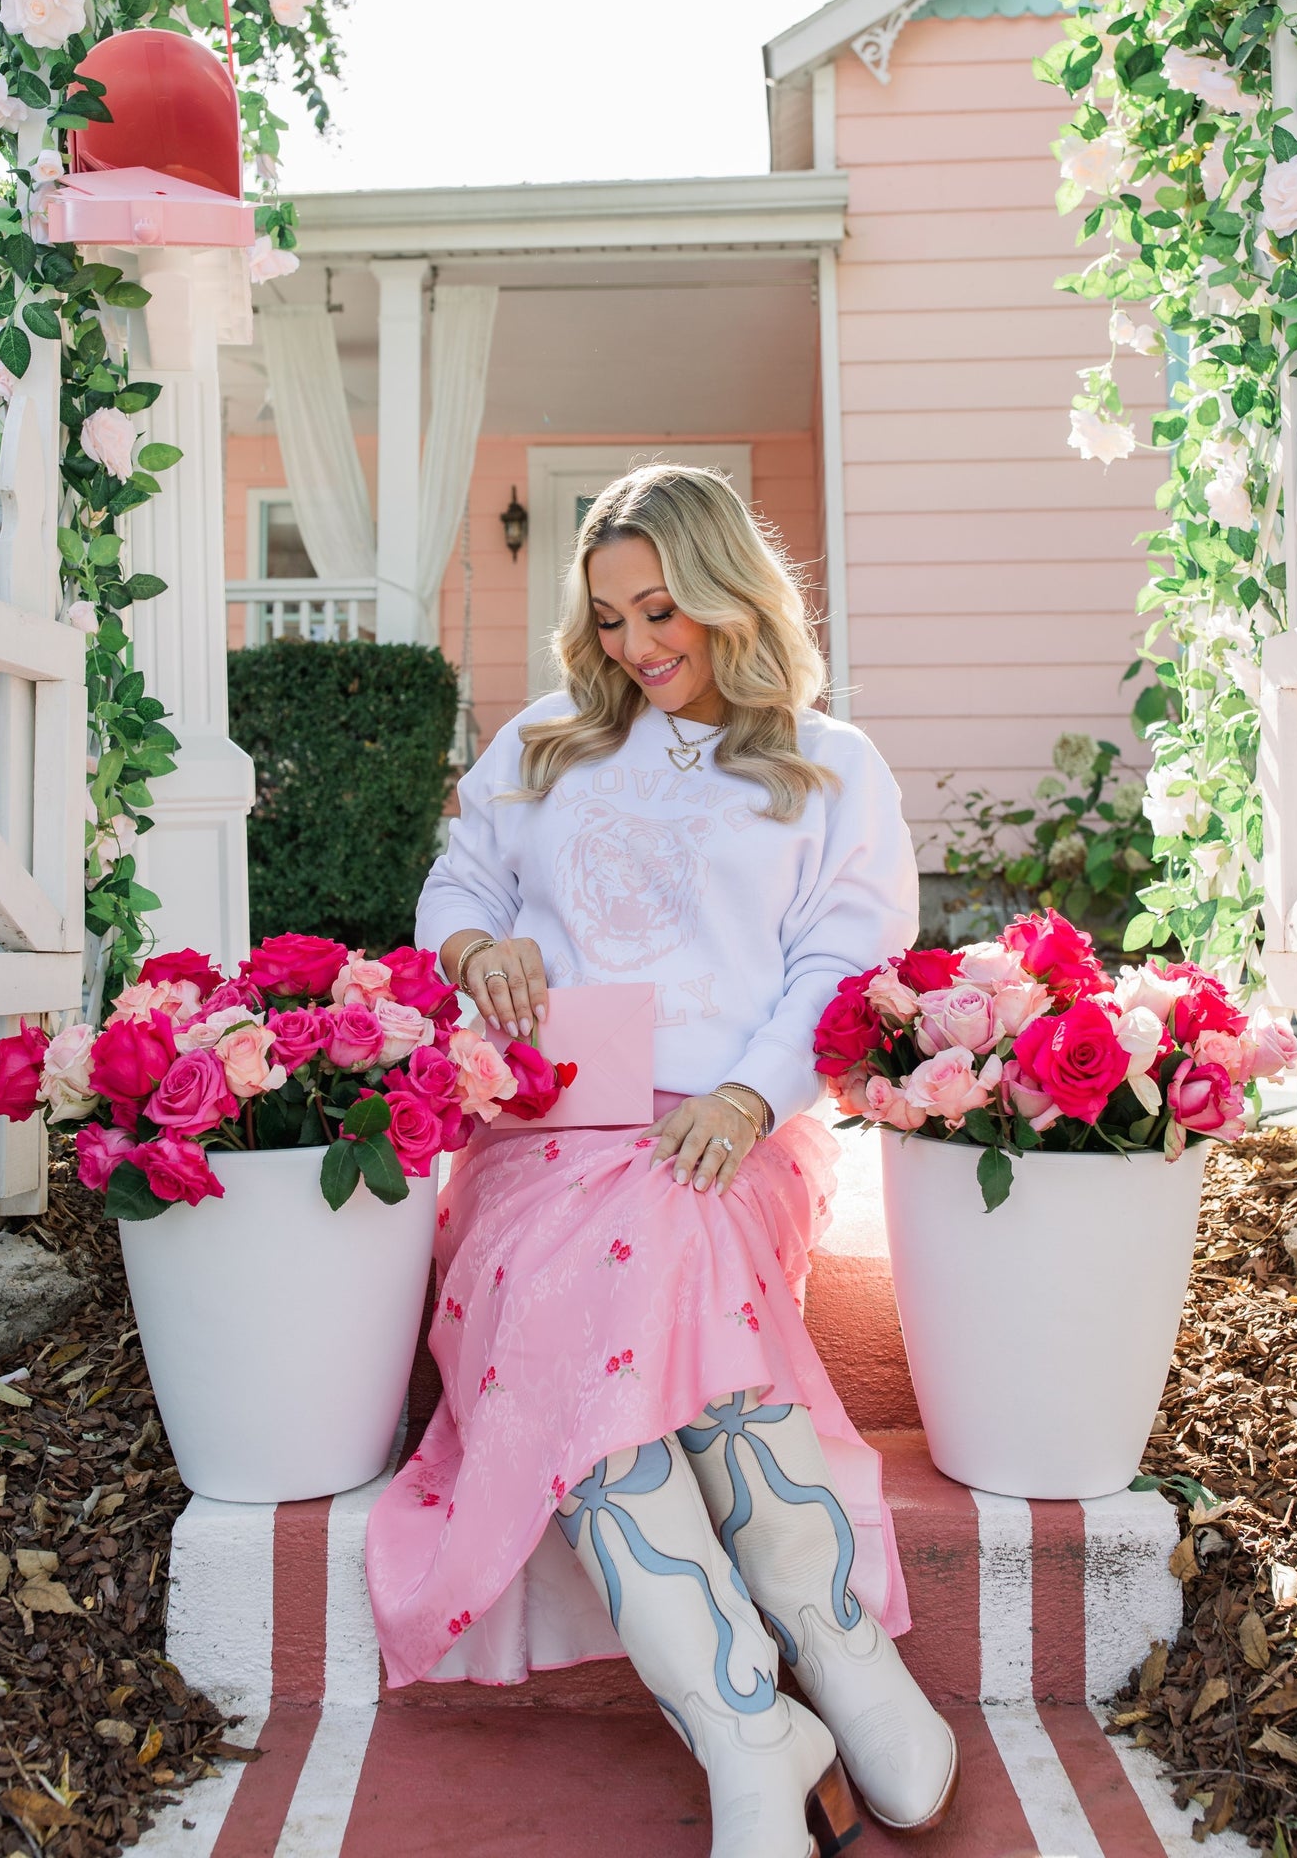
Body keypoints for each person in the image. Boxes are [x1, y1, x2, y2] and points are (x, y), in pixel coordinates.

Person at [366, 464, 958, 1856]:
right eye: (611, 618)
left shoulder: (828, 764)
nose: (637, 646)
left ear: (723, 593)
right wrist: (476, 948)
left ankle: (832, 1654)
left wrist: (750, 1102)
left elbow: (842, 963)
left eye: (661, 611)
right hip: (555, 1126)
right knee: (580, 1265)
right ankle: (747, 1716)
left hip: (733, 1124)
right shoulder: (545, 742)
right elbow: (458, 887)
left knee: (664, 1242)